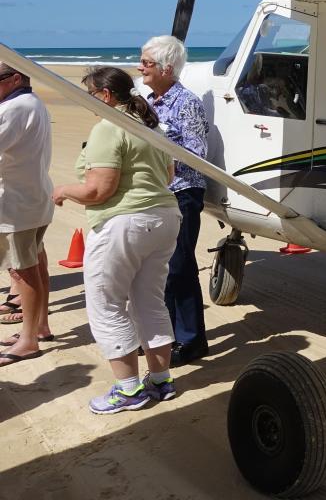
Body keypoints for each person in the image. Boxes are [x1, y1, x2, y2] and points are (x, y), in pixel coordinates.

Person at [52, 67, 181, 412]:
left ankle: (128, 389)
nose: (89, 103)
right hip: (165, 218)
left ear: (106, 95)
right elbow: (168, 175)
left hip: (124, 224)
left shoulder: (109, 127)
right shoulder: (151, 126)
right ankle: (161, 380)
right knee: (149, 300)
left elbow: (99, 189)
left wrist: (64, 189)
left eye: (90, 95)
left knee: (105, 303)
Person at [139, 35, 210, 367]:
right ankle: (163, 336)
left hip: (182, 193)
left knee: (180, 267)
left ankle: (192, 340)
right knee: (158, 268)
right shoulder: (149, 101)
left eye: (147, 63)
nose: (140, 68)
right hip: (156, 194)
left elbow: (197, 154)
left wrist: (159, 156)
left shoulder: (187, 103)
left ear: (167, 68)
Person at [0, 63, 54, 366]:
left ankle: (29, 339)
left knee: (24, 270)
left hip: (17, 202)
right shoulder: (33, 103)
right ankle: (38, 327)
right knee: (36, 264)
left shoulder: (15, 108)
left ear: (15, 78)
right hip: (33, 197)